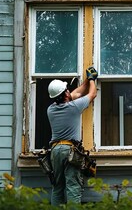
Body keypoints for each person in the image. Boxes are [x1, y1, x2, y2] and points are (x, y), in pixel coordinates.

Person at [47, 67, 98, 206]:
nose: (69, 91)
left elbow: (76, 94)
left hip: (55, 151)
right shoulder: (74, 107)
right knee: (73, 188)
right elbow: (92, 94)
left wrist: (86, 80)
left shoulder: (51, 109)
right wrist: (93, 80)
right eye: (67, 90)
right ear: (65, 95)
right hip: (70, 151)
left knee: (57, 187)